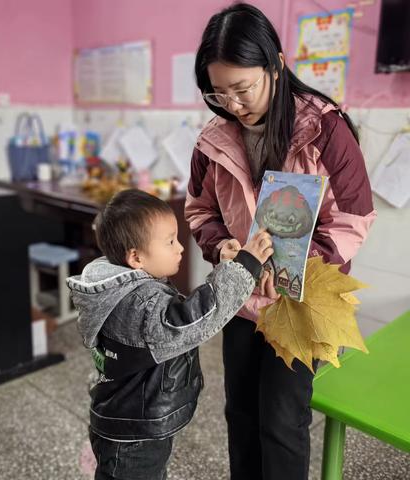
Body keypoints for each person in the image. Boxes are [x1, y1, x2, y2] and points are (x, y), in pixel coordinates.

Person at [185, 3, 376, 480]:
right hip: (239, 299)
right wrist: (220, 247)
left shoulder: (324, 129)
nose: (232, 104)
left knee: (282, 422)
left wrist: (299, 265)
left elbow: (353, 216)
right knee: (241, 415)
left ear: (276, 65)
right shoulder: (213, 140)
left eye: (242, 88)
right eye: (218, 92)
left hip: (300, 302)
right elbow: (199, 210)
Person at [67, 188, 274, 480]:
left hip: (127, 423)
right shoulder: (141, 305)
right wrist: (246, 265)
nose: (180, 248)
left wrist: (227, 267)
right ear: (136, 257)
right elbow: (195, 318)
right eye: (170, 241)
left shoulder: (118, 284)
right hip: (134, 435)